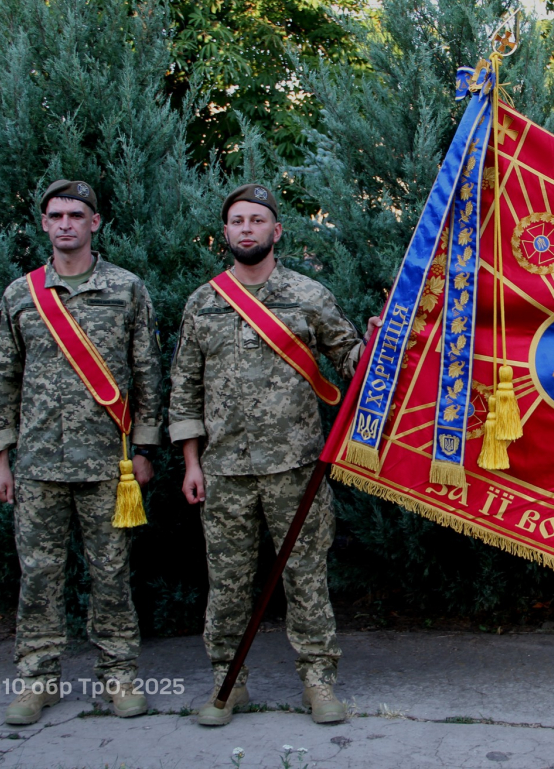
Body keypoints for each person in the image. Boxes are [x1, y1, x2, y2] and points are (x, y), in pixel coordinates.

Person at [169, 183, 379, 727]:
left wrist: (381, 338)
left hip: (297, 467)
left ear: (276, 231)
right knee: (229, 580)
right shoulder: (203, 302)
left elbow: (352, 362)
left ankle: (317, 680)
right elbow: (185, 389)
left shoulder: (308, 295)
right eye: (237, 220)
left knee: (306, 576)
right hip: (224, 472)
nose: (246, 228)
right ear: (225, 232)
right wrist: (191, 463)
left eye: (257, 220)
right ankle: (228, 681)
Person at [0, 179, 163, 724]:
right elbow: (3, 377)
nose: (65, 223)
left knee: (111, 573)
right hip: (37, 463)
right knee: (38, 573)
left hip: (111, 464)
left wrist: (146, 449)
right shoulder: (22, 294)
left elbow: (149, 372)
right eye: (56, 215)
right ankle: (38, 679)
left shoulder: (127, 289)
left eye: (76, 215)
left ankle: (120, 675)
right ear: (44, 224)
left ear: (95, 222)